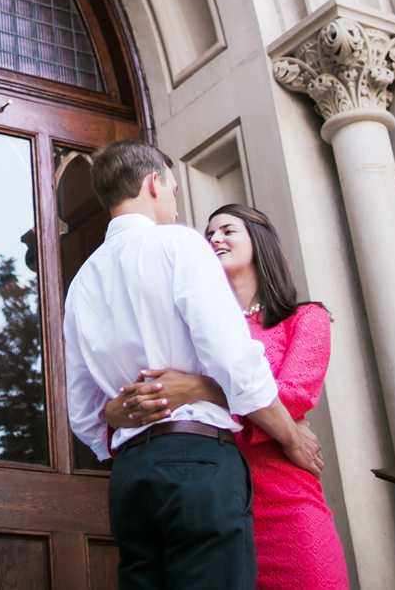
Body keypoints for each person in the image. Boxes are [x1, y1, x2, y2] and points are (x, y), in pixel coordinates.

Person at [63, 142, 323, 590]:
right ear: (153, 184)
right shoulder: (178, 244)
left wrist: (121, 420)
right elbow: (234, 360)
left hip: (129, 476)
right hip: (196, 461)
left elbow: (85, 415)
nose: (178, 208)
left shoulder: (82, 279)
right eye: (175, 191)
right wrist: (292, 437)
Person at [107, 204, 348, 590]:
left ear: (260, 242)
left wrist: (200, 388)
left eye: (227, 230)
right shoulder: (190, 327)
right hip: (211, 503)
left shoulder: (305, 319)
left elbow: (292, 396)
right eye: (209, 233)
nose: (214, 238)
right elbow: (161, 392)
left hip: (288, 505)